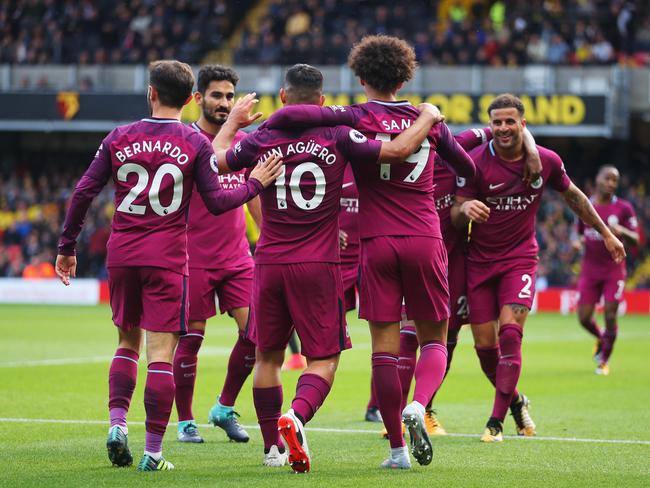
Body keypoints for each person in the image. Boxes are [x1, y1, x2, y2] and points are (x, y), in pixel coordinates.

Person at [54, 60, 282, 472]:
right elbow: (217, 200)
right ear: (190, 97)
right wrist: (255, 184)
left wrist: (67, 246)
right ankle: (154, 452)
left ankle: (118, 426)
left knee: (127, 343)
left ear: (152, 93)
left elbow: (85, 190)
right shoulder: (193, 144)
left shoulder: (119, 136)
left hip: (123, 253)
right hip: (170, 257)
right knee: (161, 354)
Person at [215, 63, 441, 472]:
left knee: (267, 357)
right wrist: (426, 115)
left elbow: (216, 161)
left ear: (282, 98)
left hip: (267, 260)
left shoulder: (261, 137)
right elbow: (393, 151)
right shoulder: (339, 134)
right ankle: (297, 416)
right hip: (318, 263)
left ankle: (272, 450)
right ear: (321, 102)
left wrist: (232, 121)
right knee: (324, 359)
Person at [264, 36, 475, 469]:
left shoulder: (352, 116)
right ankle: (420, 404)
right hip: (424, 237)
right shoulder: (427, 119)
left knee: (385, 348)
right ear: (405, 75)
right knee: (434, 337)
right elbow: (468, 169)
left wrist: (281, 112)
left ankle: (397, 450)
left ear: (361, 77)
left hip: (374, 243)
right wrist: (435, 127)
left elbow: (296, 114)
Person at [451, 93, 625, 443]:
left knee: (511, 333)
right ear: (490, 125)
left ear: (522, 124)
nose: (503, 128)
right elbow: (454, 213)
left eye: (509, 121)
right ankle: (516, 402)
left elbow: (575, 196)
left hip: (520, 260)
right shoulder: (474, 163)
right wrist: (466, 209)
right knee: (486, 351)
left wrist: (606, 233)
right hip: (480, 262)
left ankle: (495, 422)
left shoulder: (544, 161)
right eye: (497, 122)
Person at [397, 126, 541, 438]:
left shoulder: (453, 146)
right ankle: (402, 414)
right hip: (417, 264)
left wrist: (530, 149)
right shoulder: (395, 157)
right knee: (408, 337)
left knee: (448, 340)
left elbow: (512, 127)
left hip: (458, 265)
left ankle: (427, 410)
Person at [173, 64, 261, 444]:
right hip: (192, 257)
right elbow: (209, 159)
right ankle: (184, 421)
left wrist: (269, 237)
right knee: (190, 339)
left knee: (256, 334)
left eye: (229, 96)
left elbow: (254, 192)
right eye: (216, 95)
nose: (224, 103)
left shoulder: (243, 144)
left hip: (237, 257)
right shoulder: (185, 139)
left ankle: (224, 407)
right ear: (197, 99)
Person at [575, 165, 639, 375]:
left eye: (615, 180)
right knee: (584, 318)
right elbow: (578, 233)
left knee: (610, 315)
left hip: (614, 269)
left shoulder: (624, 208)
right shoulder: (585, 205)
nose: (611, 183)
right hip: (590, 269)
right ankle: (603, 338)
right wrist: (577, 242)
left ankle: (603, 360)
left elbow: (636, 239)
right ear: (597, 179)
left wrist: (621, 231)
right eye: (607, 179)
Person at [338, 163, 381, 423]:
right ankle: (302, 402)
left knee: (388, 332)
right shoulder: (332, 159)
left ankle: (376, 405)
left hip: (372, 257)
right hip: (336, 259)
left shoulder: (378, 161)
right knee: (323, 337)